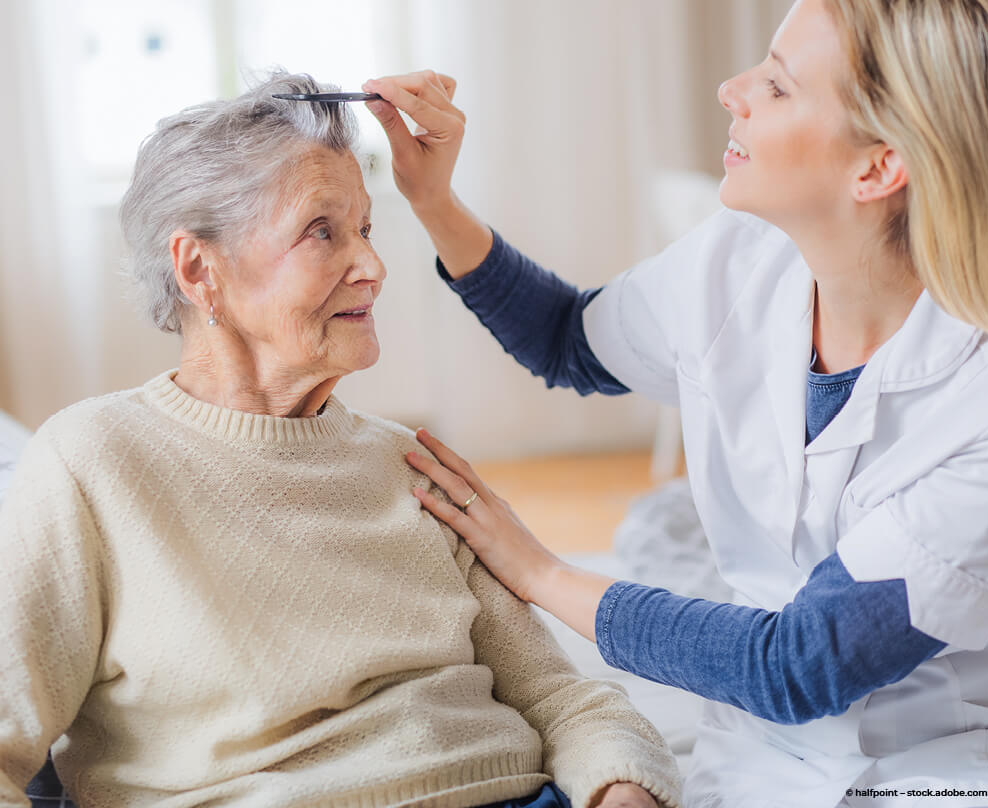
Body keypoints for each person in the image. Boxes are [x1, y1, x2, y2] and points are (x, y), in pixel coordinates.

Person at [360, 0, 988, 808]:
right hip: (756, 753)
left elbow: (798, 668)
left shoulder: (984, 407)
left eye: (777, 85)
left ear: (878, 167)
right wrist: (433, 199)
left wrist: (537, 569)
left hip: (940, 766)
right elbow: (567, 340)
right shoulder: (739, 262)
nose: (732, 90)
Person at [0, 73, 682, 808]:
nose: (374, 267)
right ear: (200, 270)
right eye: (322, 230)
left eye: (366, 228)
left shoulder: (408, 462)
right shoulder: (93, 463)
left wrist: (622, 791)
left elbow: (564, 701)